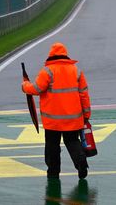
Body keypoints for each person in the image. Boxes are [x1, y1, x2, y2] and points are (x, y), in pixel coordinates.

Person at [22, 42, 91, 179]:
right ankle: (81, 162)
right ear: (65, 55)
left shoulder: (47, 71)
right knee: (72, 142)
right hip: (73, 118)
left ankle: (53, 172)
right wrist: (86, 114)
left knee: (52, 145)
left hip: (52, 120)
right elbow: (84, 94)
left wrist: (25, 86)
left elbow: (36, 89)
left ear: (51, 55)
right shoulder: (76, 70)